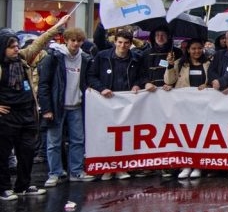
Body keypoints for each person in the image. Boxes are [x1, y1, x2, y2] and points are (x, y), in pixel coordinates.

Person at [0, 15, 69, 199]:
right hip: (7, 117)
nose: (16, 49)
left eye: (17, 45)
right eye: (12, 46)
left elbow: (40, 41)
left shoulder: (22, 59)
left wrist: (58, 27)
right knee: (3, 154)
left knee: (27, 152)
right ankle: (4, 188)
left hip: (26, 114)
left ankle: (23, 185)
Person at [87, 28, 149, 180]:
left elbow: (142, 76)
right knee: (107, 135)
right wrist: (101, 89)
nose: (122, 46)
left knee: (125, 136)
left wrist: (137, 85)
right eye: (120, 42)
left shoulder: (136, 58)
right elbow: (91, 76)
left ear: (130, 44)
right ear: (115, 42)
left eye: (126, 43)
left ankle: (122, 167)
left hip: (127, 103)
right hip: (106, 102)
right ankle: (108, 168)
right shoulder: (102, 57)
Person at [37, 27, 92, 186]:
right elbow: (44, 84)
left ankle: (76, 171)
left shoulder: (86, 58)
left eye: (79, 41)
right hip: (57, 106)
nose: (76, 44)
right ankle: (55, 173)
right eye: (73, 40)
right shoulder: (53, 58)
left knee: (78, 140)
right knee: (54, 142)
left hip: (76, 105)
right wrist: (46, 109)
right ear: (66, 40)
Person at [163, 38, 210, 180]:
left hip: (203, 105)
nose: (196, 51)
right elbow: (168, 81)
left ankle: (198, 165)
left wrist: (206, 86)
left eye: (199, 48)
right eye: (193, 48)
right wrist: (170, 66)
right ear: (188, 50)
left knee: (200, 135)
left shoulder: (208, 64)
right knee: (186, 135)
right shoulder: (179, 63)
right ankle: (186, 165)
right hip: (184, 107)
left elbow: (212, 79)